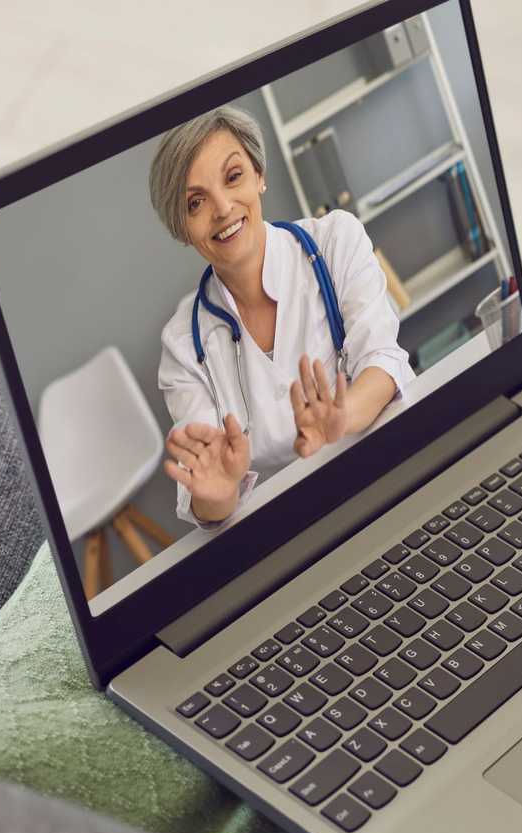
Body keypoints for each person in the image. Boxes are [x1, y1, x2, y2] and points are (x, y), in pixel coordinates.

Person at [148, 106, 413, 527]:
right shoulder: (183, 346)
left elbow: (383, 359)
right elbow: (207, 492)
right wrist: (217, 494)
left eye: (233, 177)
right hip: (295, 531)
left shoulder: (335, 240)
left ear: (259, 175)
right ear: (182, 229)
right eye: (195, 202)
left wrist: (341, 419)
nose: (222, 208)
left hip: (397, 475)